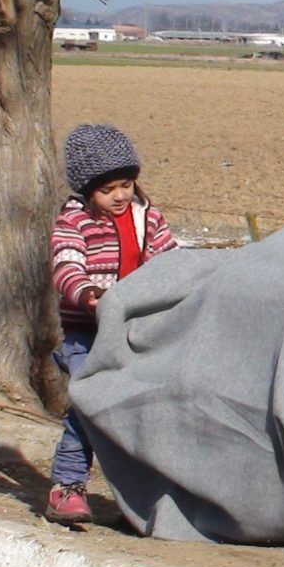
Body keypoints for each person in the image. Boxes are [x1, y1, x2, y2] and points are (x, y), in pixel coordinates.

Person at [47, 124, 179, 524]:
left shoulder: (147, 218)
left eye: (126, 184)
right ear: (88, 191)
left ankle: (138, 500)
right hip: (88, 333)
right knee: (88, 408)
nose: (120, 195)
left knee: (141, 410)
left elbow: (170, 262)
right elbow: (66, 264)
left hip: (135, 332)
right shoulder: (74, 223)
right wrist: (87, 293)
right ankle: (66, 487)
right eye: (108, 190)